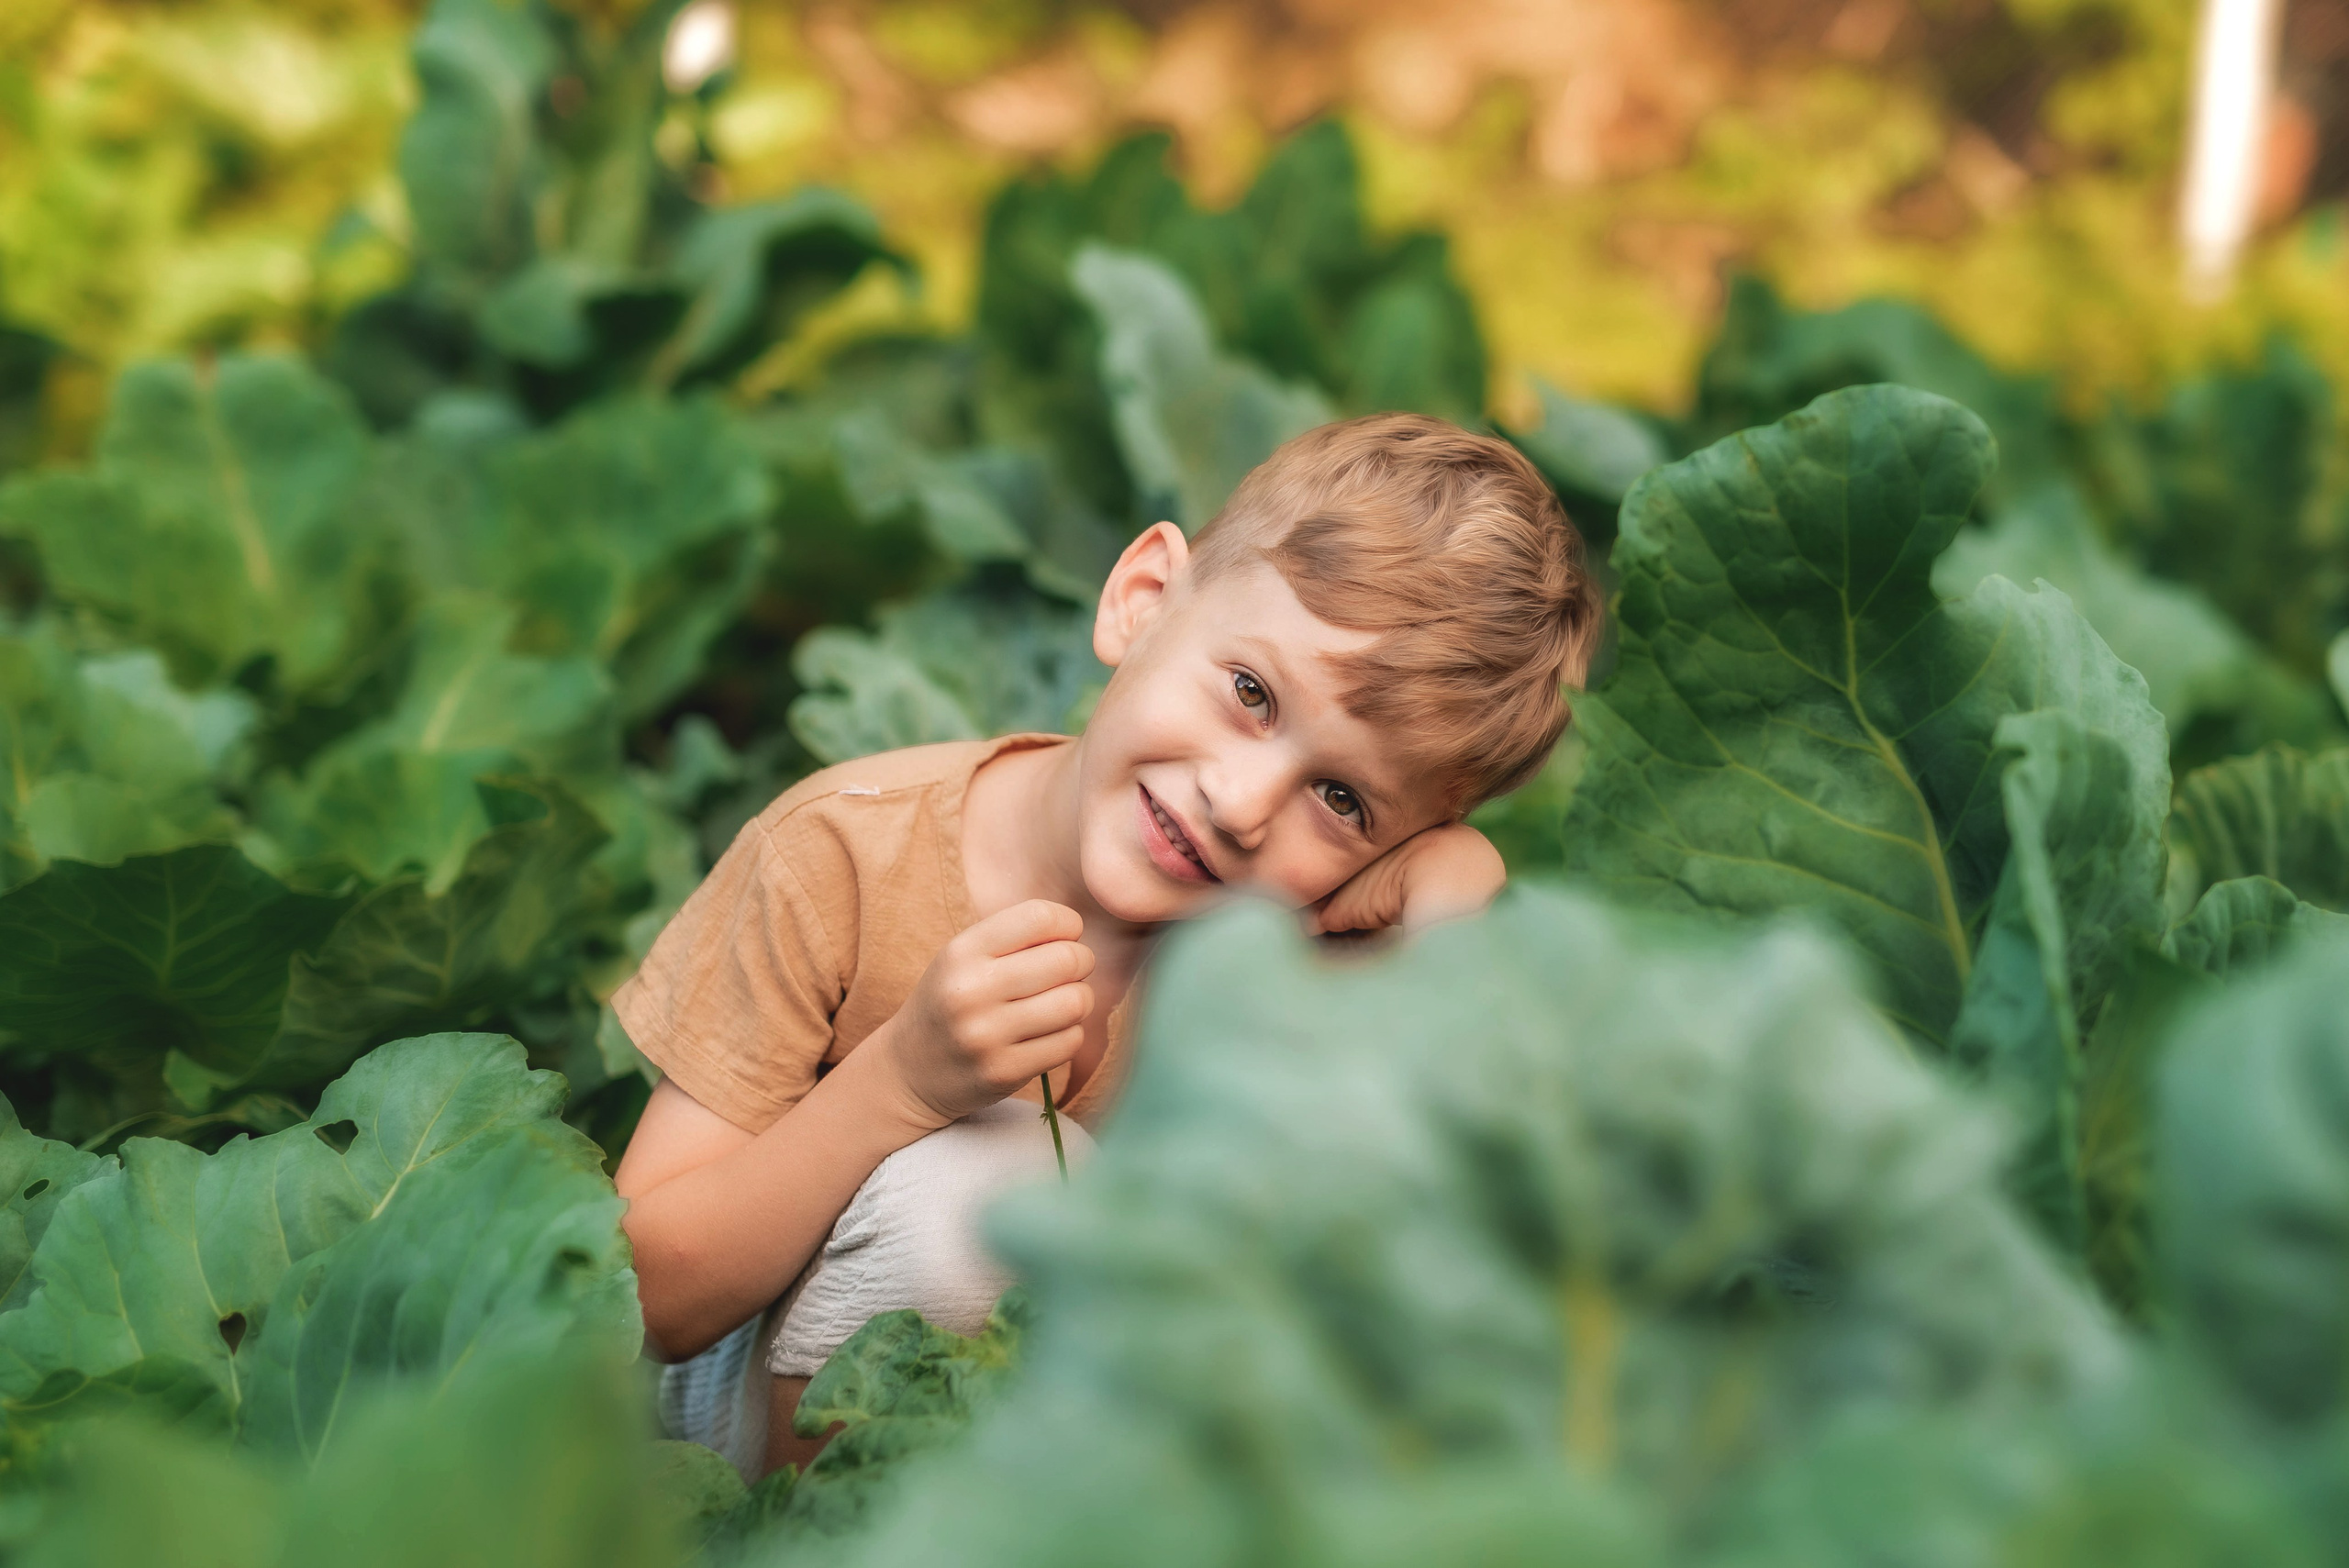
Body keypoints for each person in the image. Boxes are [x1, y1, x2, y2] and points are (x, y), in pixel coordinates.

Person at [611, 413, 1605, 1478]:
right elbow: (641, 1296)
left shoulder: (1288, 951)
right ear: (1140, 601)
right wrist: (897, 1083)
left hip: (1071, 1454)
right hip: (721, 1425)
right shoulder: (841, 854)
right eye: (1252, 693)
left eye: (1342, 797)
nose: (1239, 802)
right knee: (979, 1192)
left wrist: (1452, 913)